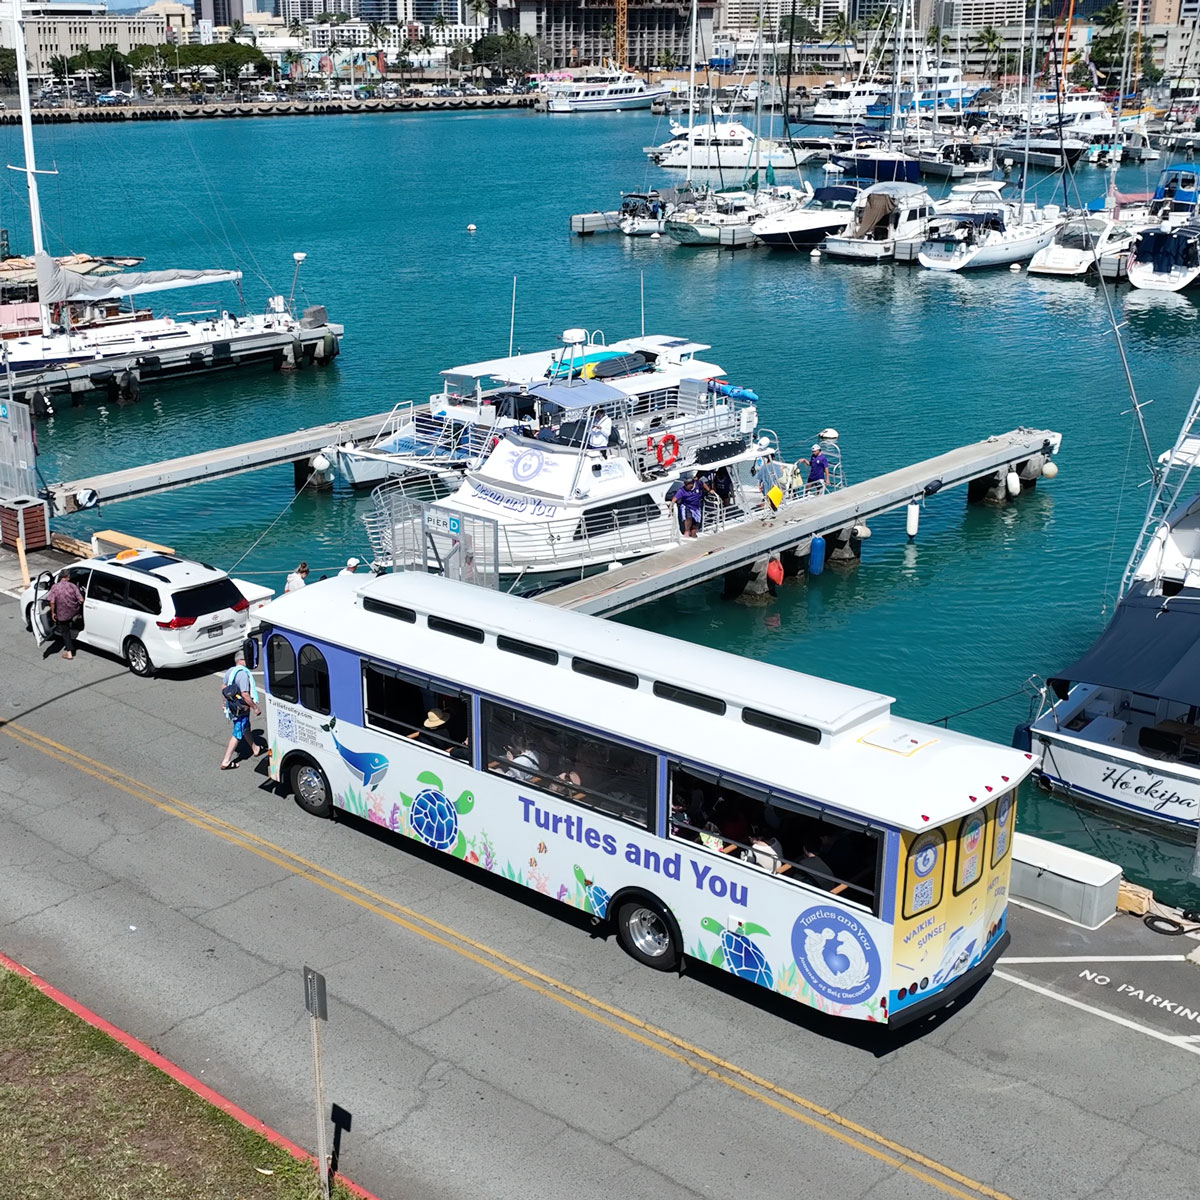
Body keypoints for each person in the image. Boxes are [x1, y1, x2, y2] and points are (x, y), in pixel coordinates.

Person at [219, 649, 262, 770]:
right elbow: (245, 694)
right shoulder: (242, 674)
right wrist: (255, 707)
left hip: (233, 706)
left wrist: (224, 703)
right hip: (241, 707)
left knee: (245, 726)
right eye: (246, 659)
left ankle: (255, 748)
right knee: (237, 732)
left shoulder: (230, 671)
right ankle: (226, 761)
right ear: (241, 660)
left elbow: (223, 687)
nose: (248, 662)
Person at [46, 573, 84, 660]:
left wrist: (53, 613)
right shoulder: (73, 586)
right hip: (74, 612)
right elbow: (81, 600)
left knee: (65, 631)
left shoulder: (55, 587)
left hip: (62, 614)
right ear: (67, 577)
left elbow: (52, 602)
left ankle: (69, 652)